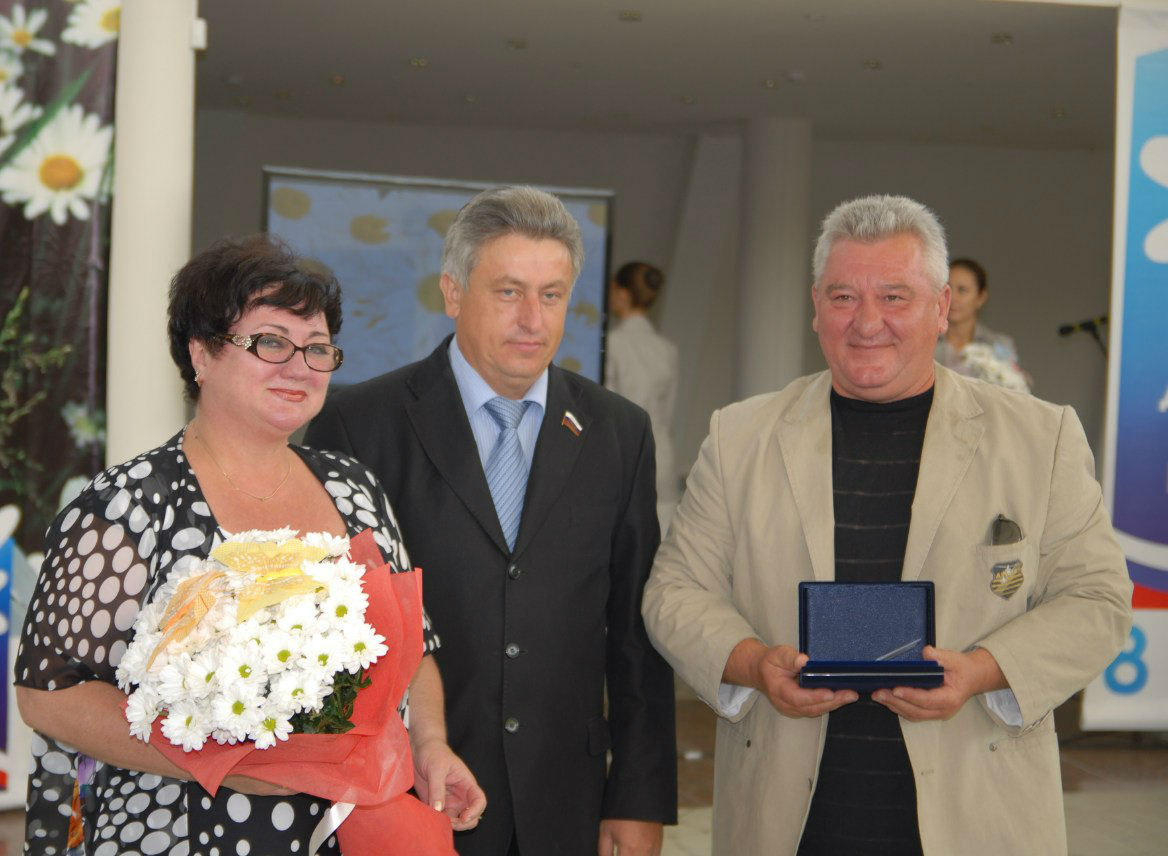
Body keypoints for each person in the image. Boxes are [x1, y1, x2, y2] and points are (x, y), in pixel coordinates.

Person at [642, 195, 1131, 855]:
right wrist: (754, 664)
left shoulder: (1039, 439)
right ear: (816, 306)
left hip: (978, 819)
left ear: (941, 307)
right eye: (844, 297)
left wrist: (982, 670)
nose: (867, 322)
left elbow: (1098, 600)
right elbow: (674, 591)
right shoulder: (740, 437)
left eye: (895, 297)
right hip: (788, 823)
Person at [14, 235, 484, 855]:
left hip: (350, 829)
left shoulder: (352, 487)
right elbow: (49, 694)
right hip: (178, 828)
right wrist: (222, 763)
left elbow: (410, 649)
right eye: (271, 343)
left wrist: (429, 746)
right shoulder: (129, 503)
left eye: (317, 348)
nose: (300, 367)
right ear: (201, 354)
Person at [305, 186, 678, 856]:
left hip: (567, 804)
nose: (532, 319)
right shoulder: (360, 425)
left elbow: (634, 633)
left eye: (552, 295)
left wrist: (638, 798)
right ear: (453, 293)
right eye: (509, 292)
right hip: (408, 796)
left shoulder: (619, 432)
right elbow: (329, 630)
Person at [604, 261, 679, 534]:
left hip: (621, 455)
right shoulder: (667, 349)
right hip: (662, 454)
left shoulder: (611, 344)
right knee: (662, 539)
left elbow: (605, 409)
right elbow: (668, 412)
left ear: (622, 294)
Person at [935, 257, 1024, 378]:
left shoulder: (999, 345)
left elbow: (1013, 383)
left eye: (962, 290)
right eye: (948, 289)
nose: (953, 298)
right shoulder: (924, 340)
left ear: (981, 297)